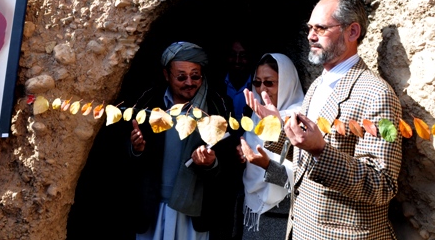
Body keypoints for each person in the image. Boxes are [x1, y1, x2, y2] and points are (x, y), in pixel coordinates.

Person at [247, 0, 402, 239]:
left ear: (352, 32)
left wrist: (321, 150)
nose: (311, 36)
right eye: (309, 28)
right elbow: (302, 161)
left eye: (321, 28)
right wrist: (277, 128)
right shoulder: (317, 86)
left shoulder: (376, 94)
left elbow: (382, 185)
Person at [129, 41, 239, 240]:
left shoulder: (218, 105)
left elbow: (231, 159)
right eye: (181, 77)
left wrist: (211, 163)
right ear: (166, 75)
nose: (189, 82)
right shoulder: (148, 102)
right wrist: (137, 149)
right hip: (152, 207)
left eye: (195, 76)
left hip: (194, 211)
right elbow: (123, 160)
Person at [237, 53, 304, 239]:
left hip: (283, 219)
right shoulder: (254, 117)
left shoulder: (300, 120)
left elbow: (300, 180)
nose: (261, 90)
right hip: (253, 217)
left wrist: (266, 165)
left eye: (269, 82)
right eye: (257, 82)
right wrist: (243, 156)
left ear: (287, 83)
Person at [223, 39, 253, 121]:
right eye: (232, 54)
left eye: (243, 55)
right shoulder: (217, 85)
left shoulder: (257, 86)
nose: (237, 61)